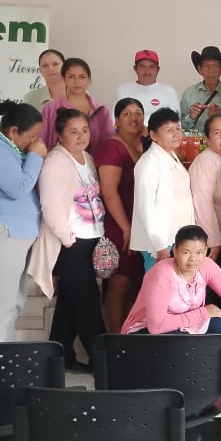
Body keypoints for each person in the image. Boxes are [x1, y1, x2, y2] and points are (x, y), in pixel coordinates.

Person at [27, 109, 107, 371]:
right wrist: (66, 238)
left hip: (90, 239)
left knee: (69, 303)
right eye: (73, 131)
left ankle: (58, 358)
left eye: (84, 130)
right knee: (87, 302)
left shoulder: (87, 158)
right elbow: (49, 204)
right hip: (71, 243)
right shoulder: (55, 161)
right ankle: (102, 361)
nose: (81, 136)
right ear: (60, 135)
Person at [0, 100, 47, 342]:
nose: (35, 142)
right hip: (1, 236)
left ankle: (5, 356)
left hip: (15, 236)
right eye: (31, 136)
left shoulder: (7, 146)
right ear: (13, 131)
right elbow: (17, 188)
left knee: (12, 304)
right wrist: (35, 156)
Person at [121, 225, 221, 336]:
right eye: (186, 253)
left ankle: (209, 375)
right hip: (145, 333)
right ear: (175, 251)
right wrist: (203, 313)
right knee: (180, 338)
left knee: (219, 327)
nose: (193, 259)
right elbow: (156, 327)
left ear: (205, 251)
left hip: (183, 327)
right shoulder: (162, 274)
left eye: (199, 252)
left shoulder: (207, 265)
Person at [93, 97, 145, 334]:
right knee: (120, 282)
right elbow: (109, 192)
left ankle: (129, 335)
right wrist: (126, 227)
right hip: (119, 224)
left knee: (135, 281)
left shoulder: (143, 145)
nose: (134, 118)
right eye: (127, 114)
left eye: (138, 113)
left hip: (139, 224)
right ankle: (115, 338)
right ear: (116, 121)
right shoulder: (112, 148)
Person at [130, 107, 195, 269]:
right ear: (153, 135)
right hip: (161, 242)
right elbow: (146, 206)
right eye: (169, 130)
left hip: (177, 236)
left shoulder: (171, 156)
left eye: (178, 128)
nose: (176, 134)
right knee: (159, 282)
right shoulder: (149, 162)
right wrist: (159, 245)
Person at [189, 114, 221, 263]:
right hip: (216, 244)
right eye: (217, 132)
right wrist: (213, 241)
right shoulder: (205, 161)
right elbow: (202, 204)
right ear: (207, 139)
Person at [40, 57, 112, 154]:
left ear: (89, 80)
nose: (77, 81)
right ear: (64, 79)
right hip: (59, 161)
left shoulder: (101, 110)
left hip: (94, 162)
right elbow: (41, 142)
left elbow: (108, 143)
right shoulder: (50, 108)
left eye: (82, 77)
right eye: (71, 77)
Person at [115, 49, 180, 123]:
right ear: (135, 69)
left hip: (159, 130)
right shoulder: (123, 90)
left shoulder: (169, 91)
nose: (147, 72)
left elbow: (176, 122)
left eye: (151, 67)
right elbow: (116, 120)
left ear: (158, 70)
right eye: (142, 67)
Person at [181, 45, 221, 133]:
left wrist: (220, 117)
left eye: (215, 66)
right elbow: (179, 127)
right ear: (199, 69)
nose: (211, 71)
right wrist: (191, 117)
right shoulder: (189, 93)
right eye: (206, 66)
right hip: (195, 141)